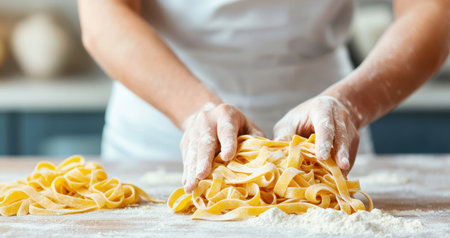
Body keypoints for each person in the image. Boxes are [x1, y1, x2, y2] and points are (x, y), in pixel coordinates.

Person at [78, 0, 450, 193]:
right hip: (159, 138)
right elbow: (102, 14)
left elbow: (432, 11)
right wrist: (195, 110)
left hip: (326, 140)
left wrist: (350, 104)